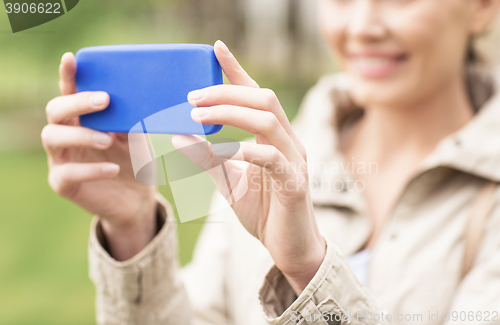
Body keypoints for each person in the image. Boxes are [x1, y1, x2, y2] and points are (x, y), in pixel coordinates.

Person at [41, 0, 500, 324]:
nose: (362, 26)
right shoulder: (270, 160)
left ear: (482, 6)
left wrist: (307, 270)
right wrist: (133, 227)